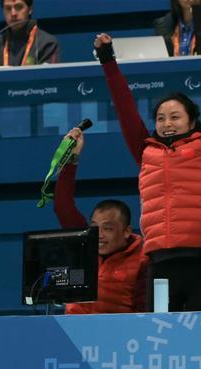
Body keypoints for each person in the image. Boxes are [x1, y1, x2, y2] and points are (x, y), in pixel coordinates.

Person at [93, 20, 201, 312]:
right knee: (161, 331)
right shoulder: (146, 151)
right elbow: (124, 107)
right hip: (159, 264)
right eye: (161, 118)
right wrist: (107, 59)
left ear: (192, 121)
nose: (166, 124)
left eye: (175, 117)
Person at [54, 128, 148, 314]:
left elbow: (143, 312)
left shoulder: (143, 261)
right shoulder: (83, 244)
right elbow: (62, 206)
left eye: (108, 228)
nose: (99, 235)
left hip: (117, 331)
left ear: (127, 231)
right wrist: (70, 160)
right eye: (95, 227)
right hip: (71, 330)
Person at [0, 0, 60, 67]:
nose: (13, 13)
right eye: (8, 8)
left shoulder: (47, 43)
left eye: (19, 7)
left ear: (30, 9)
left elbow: (48, 78)